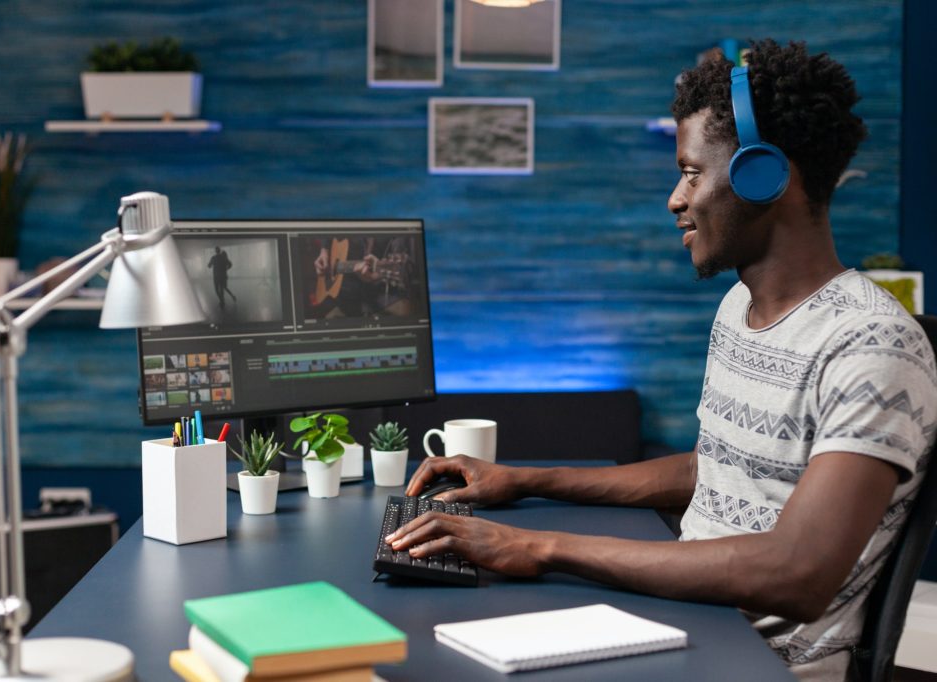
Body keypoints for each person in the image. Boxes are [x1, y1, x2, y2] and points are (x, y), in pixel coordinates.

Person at [386, 39, 937, 681]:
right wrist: (525, 480)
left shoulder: (871, 346)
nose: (676, 199)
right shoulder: (740, 307)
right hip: (688, 619)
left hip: (753, 664)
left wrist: (538, 545)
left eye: (693, 173)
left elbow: (798, 573)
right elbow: (712, 469)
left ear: (765, 175)